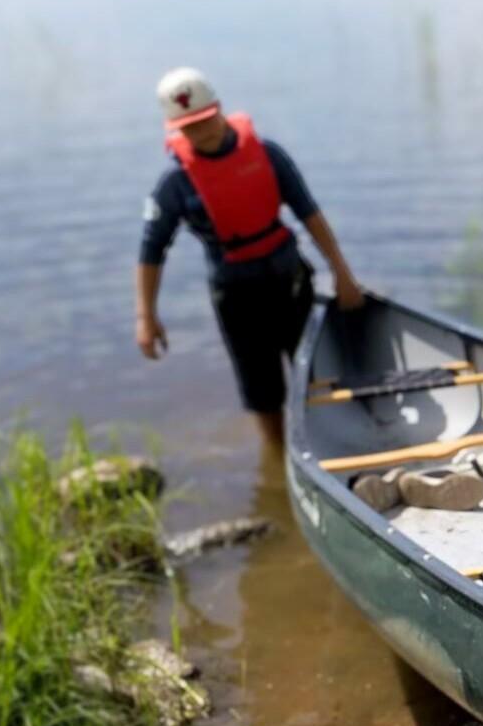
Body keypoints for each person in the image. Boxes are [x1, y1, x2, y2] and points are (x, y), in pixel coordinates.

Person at [134, 67, 364, 447]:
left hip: (290, 282)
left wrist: (342, 274)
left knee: (316, 371)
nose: (202, 132)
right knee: (261, 391)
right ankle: (278, 455)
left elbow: (310, 214)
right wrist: (146, 317)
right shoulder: (175, 185)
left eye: (206, 120)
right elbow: (150, 251)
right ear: (175, 129)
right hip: (236, 297)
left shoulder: (268, 155)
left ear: (220, 110)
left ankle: (328, 445)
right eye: (189, 127)